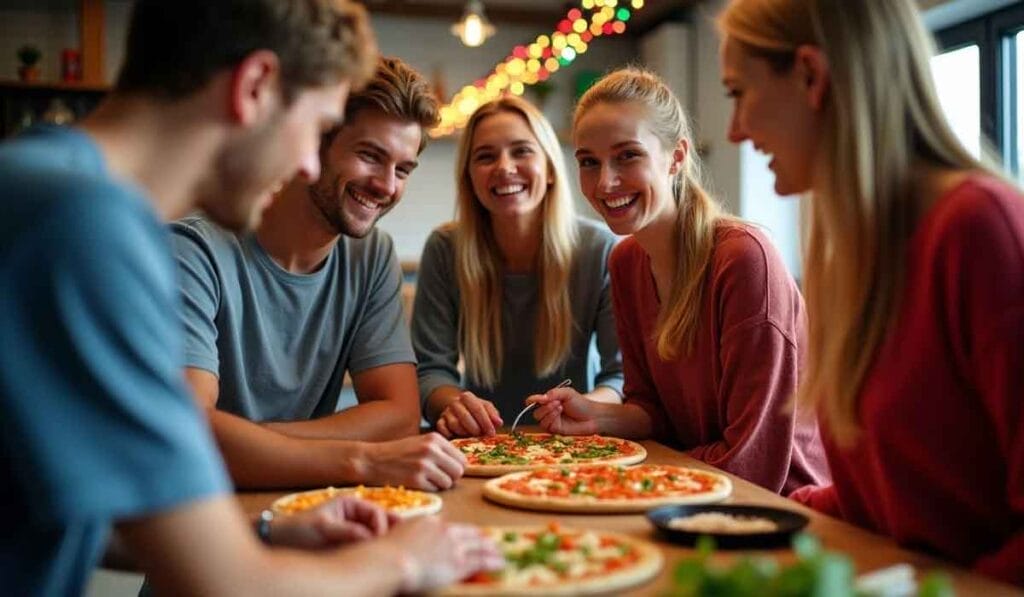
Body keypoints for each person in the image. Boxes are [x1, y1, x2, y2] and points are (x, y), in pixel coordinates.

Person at [0, 1, 500, 595]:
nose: (308, 163)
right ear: (255, 86)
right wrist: (404, 560)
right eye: (314, 129)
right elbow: (229, 583)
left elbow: (52, 515)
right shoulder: (88, 222)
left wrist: (270, 529)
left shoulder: (39, 184)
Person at [717, 0, 1024, 585]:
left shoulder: (980, 229)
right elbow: (896, 501)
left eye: (737, 92)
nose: (735, 129)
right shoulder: (857, 253)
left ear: (811, 76)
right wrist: (751, 521)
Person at [174, 55, 466, 491]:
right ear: (311, 145)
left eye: (403, 169)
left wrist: (252, 443)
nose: (386, 185)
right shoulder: (193, 250)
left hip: (318, 506)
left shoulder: (370, 253)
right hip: (206, 520)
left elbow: (400, 414)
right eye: (370, 155)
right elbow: (187, 436)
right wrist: (360, 460)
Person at [530, 68, 828, 495]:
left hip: (778, 505)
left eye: (627, 155)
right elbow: (652, 409)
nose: (604, 182)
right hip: (689, 483)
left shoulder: (745, 258)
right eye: (589, 162)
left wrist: (635, 478)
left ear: (676, 156)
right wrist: (593, 414)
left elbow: (754, 459)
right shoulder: (627, 261)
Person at [411, 96, 624, 437]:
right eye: (485, 156)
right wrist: (453, 404)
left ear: (551, 168)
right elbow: (429, 372)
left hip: (574, 445)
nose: (504, 167)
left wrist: (587, 408)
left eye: (521, 150)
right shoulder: (445, 250)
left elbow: (620, 376)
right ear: (469, 177)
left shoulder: (600, 250)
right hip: (479, 442)